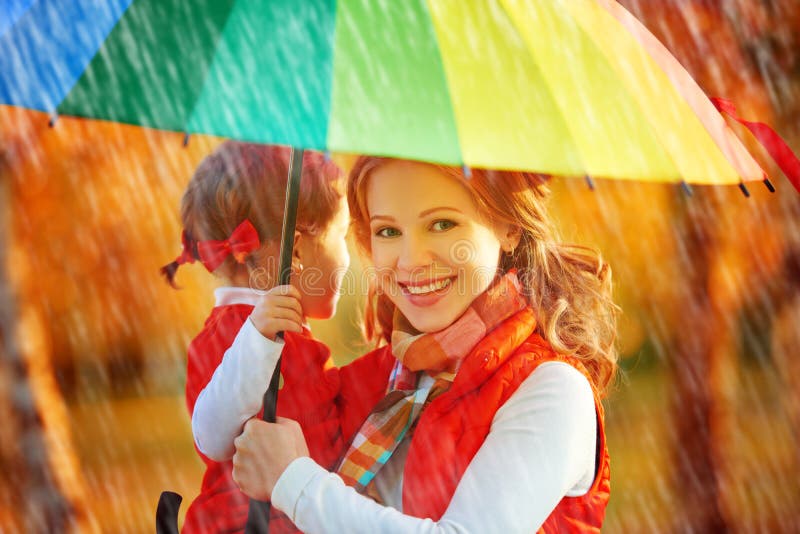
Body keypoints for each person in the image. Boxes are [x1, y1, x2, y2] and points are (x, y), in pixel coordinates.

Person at [227, 157, 618, 532]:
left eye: (442, 223)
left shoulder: (551, 390)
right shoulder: (387, 378)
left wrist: (294, 483)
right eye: (389, 231)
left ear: (509, 227)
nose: (411, 261)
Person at [160, 141, 350, 533]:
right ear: (297, 248)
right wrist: (257, 340)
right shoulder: (236, 334)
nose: (348, 256)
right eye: (342, 235)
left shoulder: (290, 338)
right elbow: (211, 436)